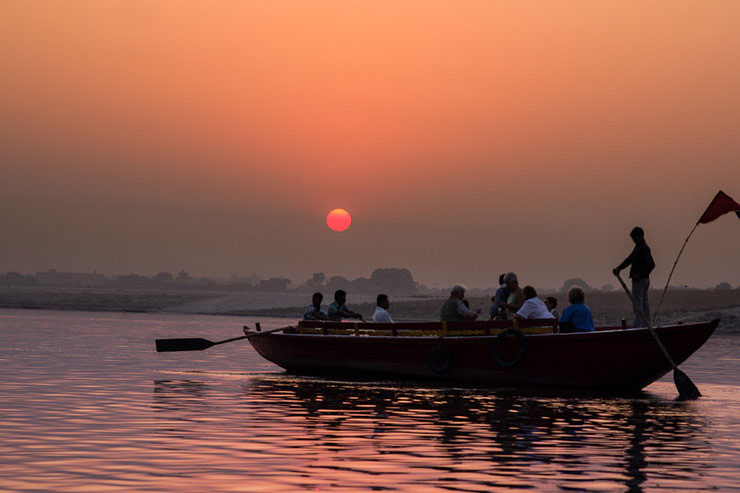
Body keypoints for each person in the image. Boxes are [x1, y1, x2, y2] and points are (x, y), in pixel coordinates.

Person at [613, 226, 655, 328]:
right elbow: (629, 260)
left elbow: (651, 264)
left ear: (640, 236)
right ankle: (646, 325)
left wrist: (639, 274)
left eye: (634, 238)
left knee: (638, 305)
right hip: (642, 280)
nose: (633, 240)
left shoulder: (644, 248)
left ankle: (637, 327)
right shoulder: (638, 247)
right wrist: (619, 268)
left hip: (640, 281)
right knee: (644, 304)